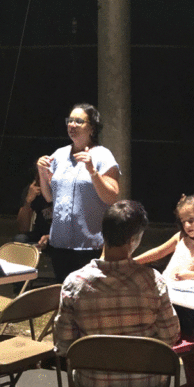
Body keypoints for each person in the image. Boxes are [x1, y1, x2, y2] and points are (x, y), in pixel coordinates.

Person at [53, 200, 181, 387]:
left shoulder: (74, 283)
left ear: (103, 233)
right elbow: (170, 336)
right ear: (133, 240)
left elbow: (64, 345)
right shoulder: (153, 281)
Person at [135, 194, 194, 387]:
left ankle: (191, 382)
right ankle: (156, 382)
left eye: (191, 220)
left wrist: (190, 275)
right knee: (157, 338)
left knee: (187, 338)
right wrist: (133, 262)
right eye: (183, 221)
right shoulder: (180, 237)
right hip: (165, 296)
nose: (187, 226)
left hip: (186, 302)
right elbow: (158, 252)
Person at [36, 103, 121, 283]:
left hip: (89, 247)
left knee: (87, 300)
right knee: (64, 295)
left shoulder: (102, 155)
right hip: (59, 244)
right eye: (70, 120)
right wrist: (42, 174)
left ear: (91, 128)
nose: (72, 125)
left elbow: (112, 197)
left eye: (79, 121)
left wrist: (92, 171)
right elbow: (50, 197)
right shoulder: (59, 154)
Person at [15, 175, 52, 249]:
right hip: (40, 236)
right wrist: (28, 201)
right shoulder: (34, 188)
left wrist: (51, 237)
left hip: (63, 238)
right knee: (20, 239)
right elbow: (23, 228)